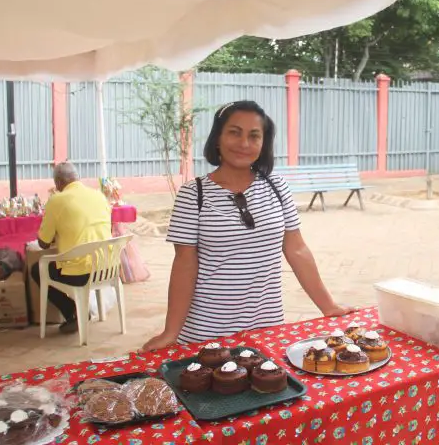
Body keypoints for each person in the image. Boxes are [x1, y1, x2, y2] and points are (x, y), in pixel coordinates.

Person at [142, 100, 354, 350]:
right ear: (218, 138)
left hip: (267, 328)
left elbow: (297, 250)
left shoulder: (277, 187)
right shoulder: (193, 194)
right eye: (234, 132)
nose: (244, 144)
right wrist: (171, 332)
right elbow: (184, 265)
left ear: (263, 143)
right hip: (206, 332)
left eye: (254, 136)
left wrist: (328, 306)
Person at [32, 162, 112, 334]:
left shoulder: (57, 200)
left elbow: (43, 243)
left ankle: (73, 313)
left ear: (58, 183)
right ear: (77, 178)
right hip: (107, 267)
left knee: (37, 269)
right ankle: (80, 312)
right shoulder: (99, 196)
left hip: (80, 273)